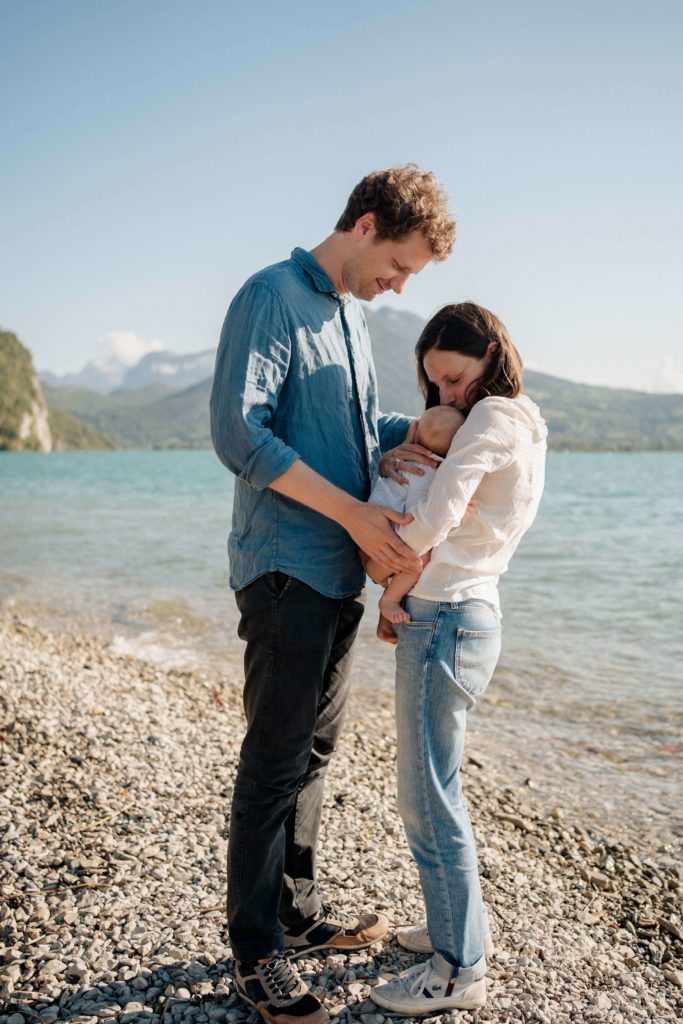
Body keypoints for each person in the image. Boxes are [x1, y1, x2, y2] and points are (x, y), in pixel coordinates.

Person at [209, 165, 455, 1024]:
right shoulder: (271, 295)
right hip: (283, 567)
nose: (399, 285)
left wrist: (409, 431)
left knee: (313, 754)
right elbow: (240, 432)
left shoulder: (351, 316)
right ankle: (254, 955)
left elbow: (348, 433)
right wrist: (356, 513)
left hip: (341, 567)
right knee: (274, 761)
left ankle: (295, 913)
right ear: (362, 224)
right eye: (399, 265)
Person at [369, 301, 547, 1015]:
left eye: (454, 378)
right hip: (462, 613)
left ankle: (458, 970)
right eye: (434, 384)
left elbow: (442, 510)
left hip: (444, 617)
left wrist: (389, 573)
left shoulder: (491, 418)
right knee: (435, 788)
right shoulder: (522, 419)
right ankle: (453, 930)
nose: (445, 396)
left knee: (427, 796)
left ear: (489, 359)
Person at [362, 405, 465, 631]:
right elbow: (421, 516)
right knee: (420, 559)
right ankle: (389, 600)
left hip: (367, 526)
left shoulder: (400, 461)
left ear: (415, 433)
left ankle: (389, 592)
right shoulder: (432, 475)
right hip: (386, 532)